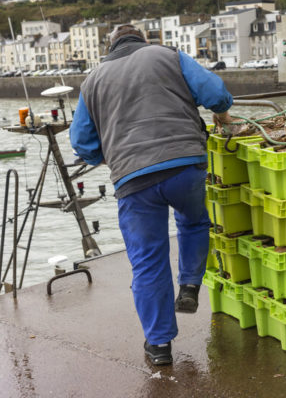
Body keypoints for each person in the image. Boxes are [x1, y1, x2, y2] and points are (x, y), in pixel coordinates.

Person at [70, 24, 234, 366]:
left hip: (133, 179)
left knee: (148, 260)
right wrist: (221, 113)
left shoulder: (92, 81)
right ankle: (189, 285)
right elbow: (215, 92)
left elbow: (82, 144)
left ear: (110, 46)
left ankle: (159, 346)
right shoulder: (168, 55)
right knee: (192, 221)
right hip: (184, 164)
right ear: (143, 40)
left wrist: (114, 157)